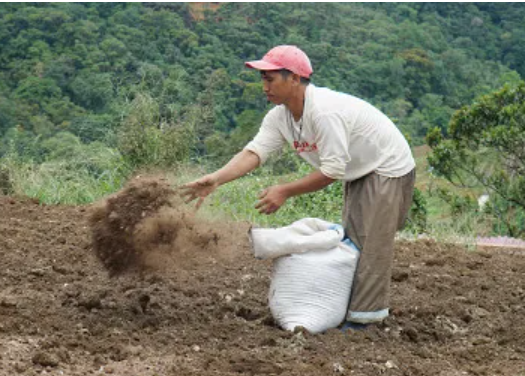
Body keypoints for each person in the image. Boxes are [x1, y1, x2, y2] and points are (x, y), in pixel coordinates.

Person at [182, 45, 416, 328]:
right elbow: (255, 152)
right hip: (359, 169)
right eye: (263, 79)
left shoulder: (325, 113)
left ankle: (363, 322)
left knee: (371, 245)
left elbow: (331, 171)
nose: (264, 86)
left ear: (294, 78)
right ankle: (347, 310)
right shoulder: (280, 117)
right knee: (354, 239)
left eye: (270, 78)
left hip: (386, 166)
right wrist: (216, 179)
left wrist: (284, 190)